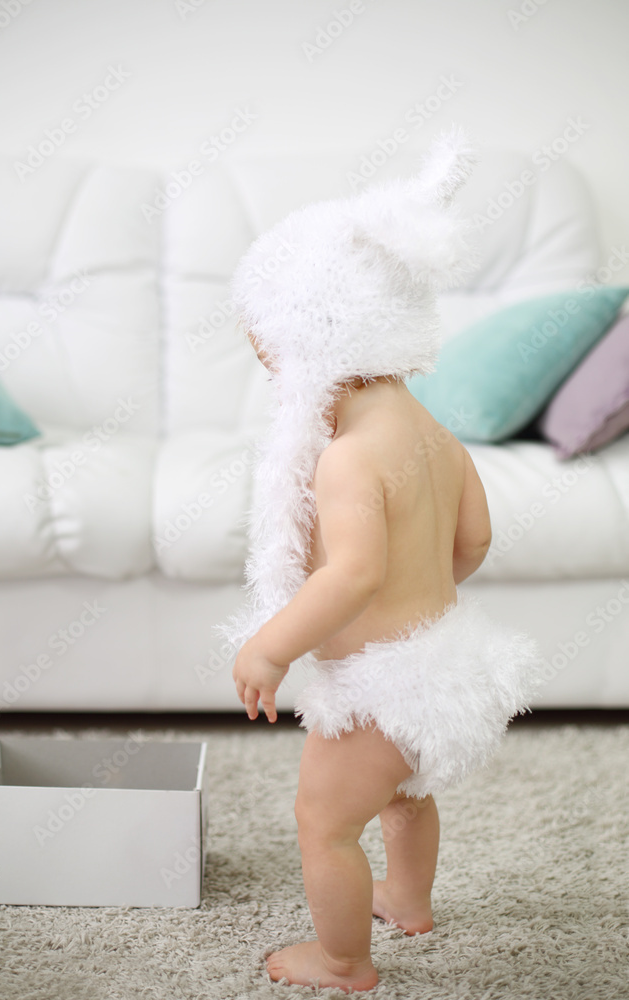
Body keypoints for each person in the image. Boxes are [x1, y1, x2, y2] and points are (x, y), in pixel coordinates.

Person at [215, 126, 546, 993]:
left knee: (323, 821)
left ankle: (341, 959)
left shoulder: (347, 458)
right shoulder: (433, 436)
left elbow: (351, 573)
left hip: (380, 688)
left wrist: (274, 644)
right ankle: (406, 897)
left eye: (274, 357)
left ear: (312, 340)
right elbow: (471, 541)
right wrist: (422, 592)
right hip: (441, 667)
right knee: (403, 795)